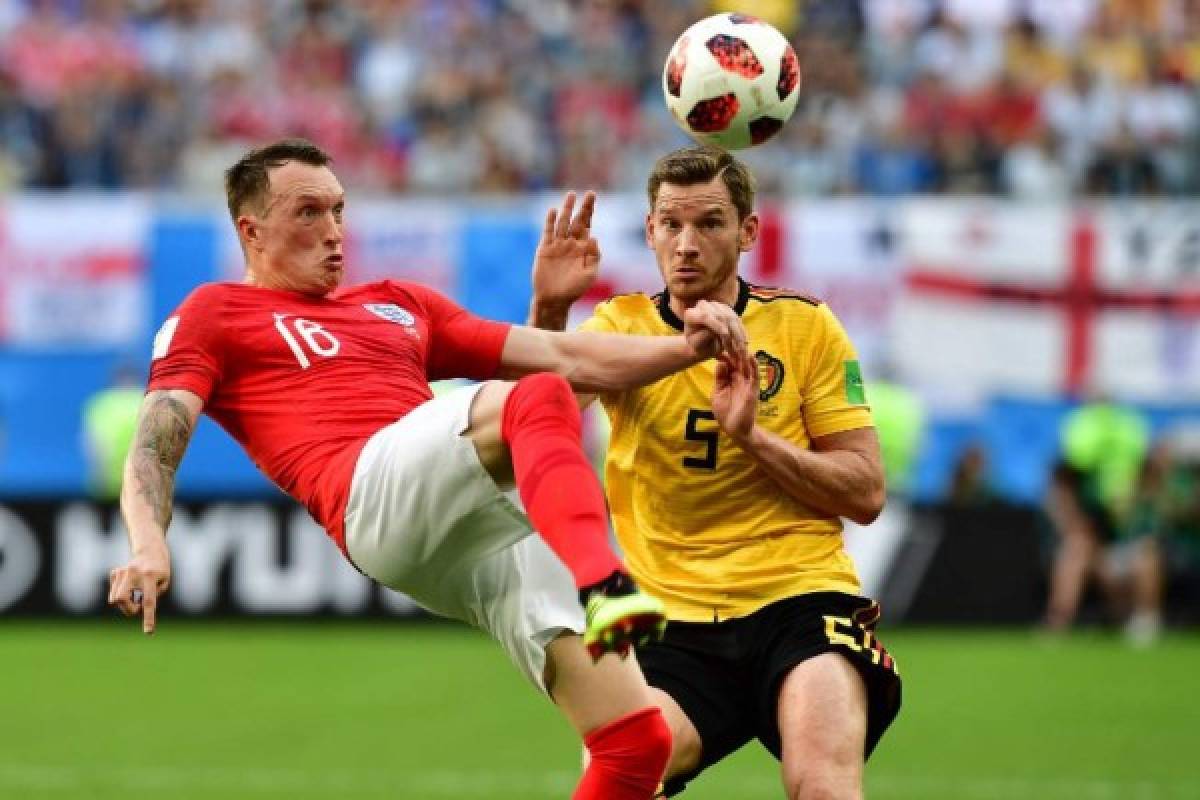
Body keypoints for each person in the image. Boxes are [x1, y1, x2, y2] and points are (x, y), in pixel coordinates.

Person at [106, 138, 752, 800]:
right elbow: (157, 438)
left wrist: (686, 348)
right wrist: (148, 539)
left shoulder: (399, 304)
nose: (332, 231)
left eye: (338, 210)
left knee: (636, 741)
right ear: (251, 229)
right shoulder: (214, 312)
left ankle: (599, 588)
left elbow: (566, 357)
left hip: (466, 526)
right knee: (534, 400)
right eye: (307, 213)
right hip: (367, 493)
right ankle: (604, 582)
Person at [530, 145, 902, 799]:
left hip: (799, 601)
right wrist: (551, 315)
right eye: (670, 225)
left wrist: (752, 437)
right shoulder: (621, 327)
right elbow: (528, 422)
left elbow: (866, 491)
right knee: (617, 779)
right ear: (649, 231)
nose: (687, 244)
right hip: (672, 624)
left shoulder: (805, 327)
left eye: (709, 224)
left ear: (748, 232)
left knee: (821, 784)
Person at [1042, 394, 1149, 632]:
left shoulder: (1129, 492)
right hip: (1093, 550)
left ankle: (1141, 621)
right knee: (1076, 553)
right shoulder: (1072, 492)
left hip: (1117, 549)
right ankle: (1057, 621)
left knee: (1141, 560)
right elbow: (1062, 509)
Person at [81, 361, 144, 500]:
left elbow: (92, 443)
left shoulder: (101, 403)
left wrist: (96, 472)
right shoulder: (148, 400)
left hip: (109, 478)